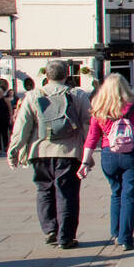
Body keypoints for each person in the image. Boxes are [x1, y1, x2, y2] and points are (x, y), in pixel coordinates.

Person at [77, 74, 134, 250]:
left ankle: (116, 232)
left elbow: (92, 137)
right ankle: (125, 238)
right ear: (126, 87)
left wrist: (84, 162)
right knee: (130, 196)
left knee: (116, 192)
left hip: (108, 154)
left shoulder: (100, 108)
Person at [7, 59, 93, 249]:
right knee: (67, 194)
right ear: (66, 75)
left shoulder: (33, 95)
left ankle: (50, 230)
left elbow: (22, 127)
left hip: (40, 151)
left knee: (44, 191)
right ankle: (66, 236)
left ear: (46, 75)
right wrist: (89, 150)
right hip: (69, 152)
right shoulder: (77, 94)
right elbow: (89, 123)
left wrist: (14, 150)